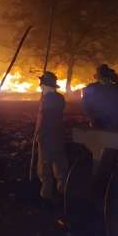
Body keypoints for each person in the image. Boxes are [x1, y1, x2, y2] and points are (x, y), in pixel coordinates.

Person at [35, 71, 68, 206]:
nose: (40, 87)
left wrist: (38, 134)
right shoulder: (60, 98)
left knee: (44, 165)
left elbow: (43, 118)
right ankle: (63, 190)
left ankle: (46, 195)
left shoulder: (46, 100)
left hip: (47, 136)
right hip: (59, 135)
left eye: (42, 85)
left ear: (46, 86)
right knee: (60, 164)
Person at [81, 64, 118, 130]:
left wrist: (90, 117)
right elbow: (85, 104)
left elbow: (85, 104)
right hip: (105, 122)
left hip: (105, 122)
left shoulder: (92, 87)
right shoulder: (115, 88)